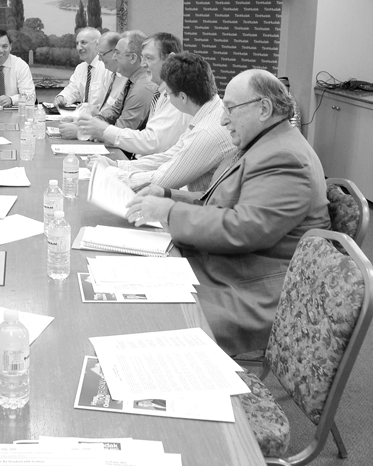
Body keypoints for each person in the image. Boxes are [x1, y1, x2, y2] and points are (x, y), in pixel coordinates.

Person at [125, 69, 331, 355]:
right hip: (228, 268)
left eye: (230, 109)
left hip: (249, 290)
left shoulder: (285, 158)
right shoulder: (265, 142)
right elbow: (219, 202)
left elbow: (243, 228)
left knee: (146, 317)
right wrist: (168, 195)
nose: (223, 119)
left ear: (264, 108)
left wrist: (170, 213)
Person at [91, 53, 235, 192]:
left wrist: (109, 172)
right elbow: (171, 156)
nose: (166, 97)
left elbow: (163, 180)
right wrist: (118, 165)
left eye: (168, 93)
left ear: (183, 97)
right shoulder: (209, 112)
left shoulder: (207, 132)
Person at [78, 32, 191, 159]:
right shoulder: (160, 91)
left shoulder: (172, 95)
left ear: (170, 59)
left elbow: (153, 143)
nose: (142, 64)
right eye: (143, 57)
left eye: (149, 58)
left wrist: (101, 130)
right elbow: (114, 111)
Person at [61, 31, 156, 140]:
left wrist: (82, 132)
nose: (114, 57)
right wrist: (83, 124)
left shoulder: (143, 88)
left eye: (117, 53)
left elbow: (121, 132)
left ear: (133, 58)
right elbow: (112, 112)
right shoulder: (133, 81)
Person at [54, 27, 114, 112]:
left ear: (97, 44)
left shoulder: (107, 68)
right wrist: (62, 97)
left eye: (83, 43)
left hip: (102, 120)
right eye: (77, 43)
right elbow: (73, 90)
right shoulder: (80, 68)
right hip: (83, 120)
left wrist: (93, 109)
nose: (78, 48)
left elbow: (113, 104)